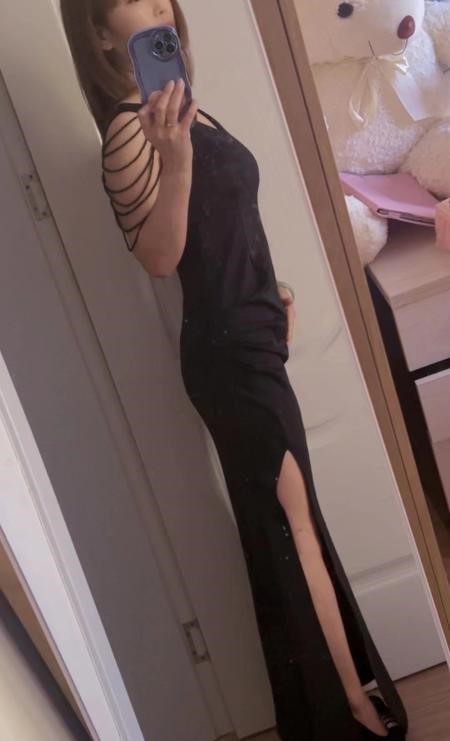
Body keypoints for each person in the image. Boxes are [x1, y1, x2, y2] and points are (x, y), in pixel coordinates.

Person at [60, 2, 408, 739]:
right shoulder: (129, 128)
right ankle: (350, 710)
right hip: (226, 356)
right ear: (97, 33)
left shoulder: (186, 108)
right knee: (292, 525)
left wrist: (270, 289)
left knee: (288, 523)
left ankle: (326, 710)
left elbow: (225, 231)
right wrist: (177, 158)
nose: (160, 3)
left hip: (251, 338)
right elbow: (160, 257)